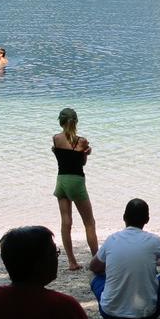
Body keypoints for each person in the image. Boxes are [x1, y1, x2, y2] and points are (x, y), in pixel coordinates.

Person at [89, 199, 160, 319]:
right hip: (146, 314)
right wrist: (156, 261)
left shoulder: (112, 239)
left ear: (124, 217)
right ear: (147, 219)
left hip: (110, 313)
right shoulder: (154, 241)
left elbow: (94, 267)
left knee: (93, 275)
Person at [51, 107, 98, 271]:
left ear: (60, 122)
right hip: (76, 181)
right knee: (89, 223)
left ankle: (72, 262)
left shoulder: (56, 138)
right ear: (76, 122)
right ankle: (96, 260)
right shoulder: (81, 141)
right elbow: (81, 163)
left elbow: (61, 156)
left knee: (66, 222)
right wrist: (86, 153)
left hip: (61, 181)